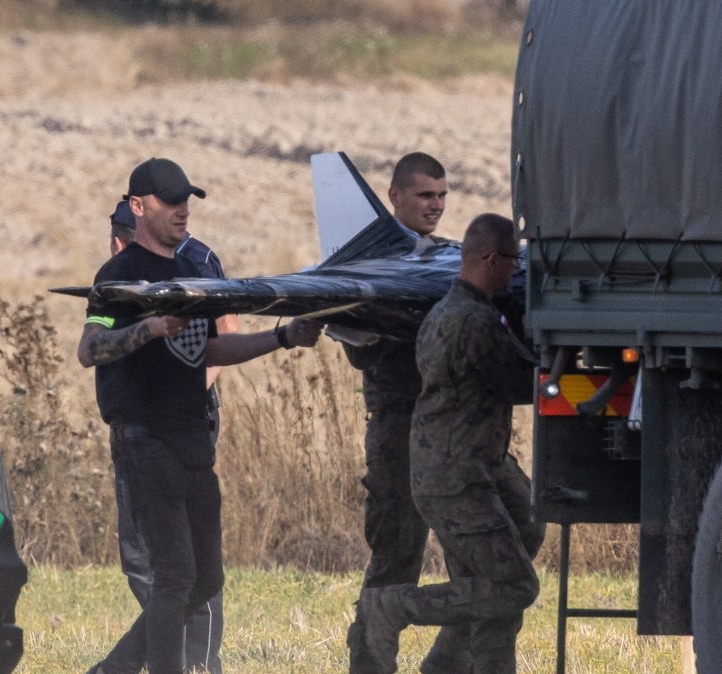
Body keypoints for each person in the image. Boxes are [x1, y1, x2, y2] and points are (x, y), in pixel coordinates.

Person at [80, 157, 322, 674]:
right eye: (171, 202)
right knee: (174, 575)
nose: (183, 210)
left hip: (192, 436)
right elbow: (90, 349)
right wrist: (148, 329)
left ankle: (115, 668)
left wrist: (281, 338)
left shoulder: (196, 272)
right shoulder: (116, 276)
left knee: (206, 578)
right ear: (138, 207)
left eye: (187, 200)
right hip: (143, 437)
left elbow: (212, 350)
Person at [349, 213, 545, 674]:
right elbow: (522, 381)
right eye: (513, 262)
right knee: (516, 585)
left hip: (467, 466)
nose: (515, 272)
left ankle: (455, 662)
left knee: (514, 544)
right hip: (458, 475)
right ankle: (394, 607)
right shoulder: (474, 323)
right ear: (492, 260)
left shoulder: (446, 312)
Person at [341, 152, 464, 674]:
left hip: (455, 428)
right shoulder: (371, 263)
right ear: (394, 197)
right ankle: (368, 663)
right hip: (397, 428)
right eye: (424, 196)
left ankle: (452, 659)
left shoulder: (444, 259)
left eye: (441, 196)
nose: (435, 206)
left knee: (510, 534)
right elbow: (355, 343)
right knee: (398, 551)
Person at [106, 199, 238, 673]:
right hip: (136, 426)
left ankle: (198, 663)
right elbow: (96, 343)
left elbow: (226, 332)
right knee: (145, 559)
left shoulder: (197, 262)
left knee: (190, 567)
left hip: (184, 425)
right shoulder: (120, 273)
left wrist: (179, 394)